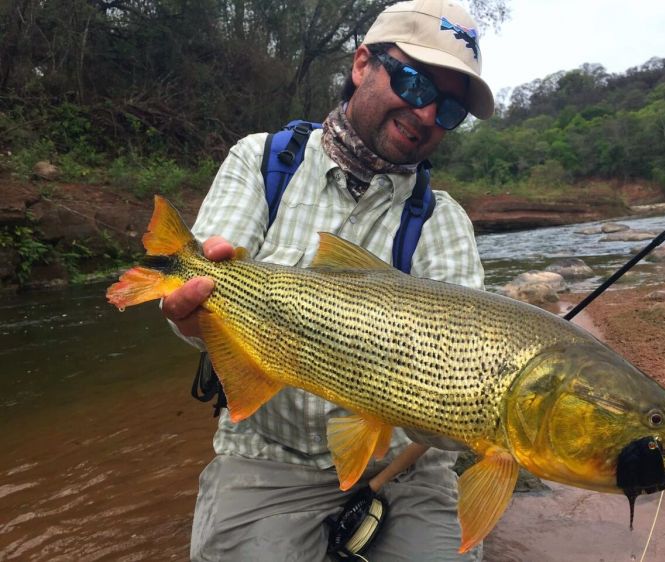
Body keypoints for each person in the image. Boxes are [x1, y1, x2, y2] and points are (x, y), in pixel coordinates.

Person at [162, 1, 495, 560]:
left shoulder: (444, 221)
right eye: (415, 84)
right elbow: (195, 314)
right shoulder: (262, 161)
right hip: (267, 452)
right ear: (363, 64)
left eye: (451, 110)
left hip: (405, 469)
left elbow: (461, 392)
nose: (427, 115)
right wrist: (190, 315)